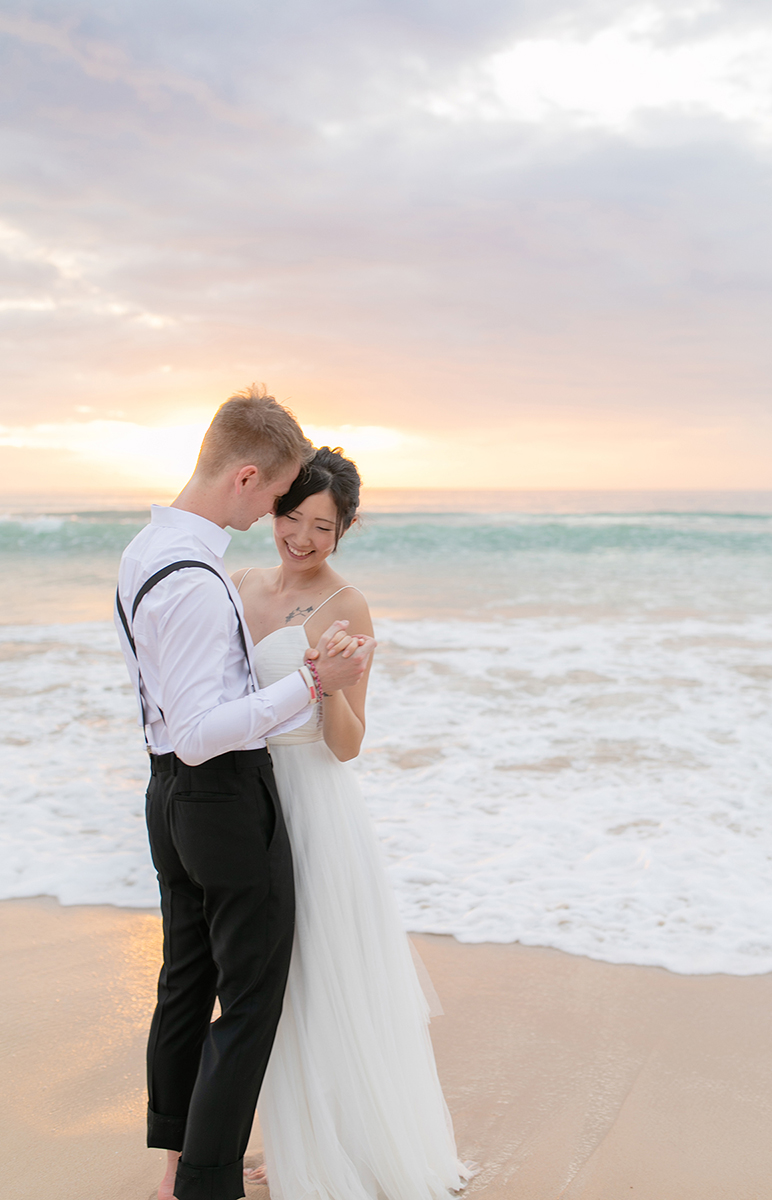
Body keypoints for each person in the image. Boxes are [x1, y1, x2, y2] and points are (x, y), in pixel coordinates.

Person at [114, 388, 376, 1200]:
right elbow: (201, 731)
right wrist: (310, 678)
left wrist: (322, 688)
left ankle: (178, 1164)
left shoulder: (145, 552)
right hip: (221, 797)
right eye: (277, 500)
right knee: (252, 999)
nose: (283, 519)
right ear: (250, 477)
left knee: (188, 977)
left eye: (314, 519)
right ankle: (203, 1181)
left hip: (171, 795)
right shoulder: (201, 579)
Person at [232, 446, 473, 1200]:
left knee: (323, 977)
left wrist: (328, 682)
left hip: (315, 806)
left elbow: (347, 745)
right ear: (273, 510)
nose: (302, 539)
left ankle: (333, 1150)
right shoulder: (238, 585)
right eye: (293, 518)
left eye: (323, 527)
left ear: (347, 529)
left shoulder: (348, 607)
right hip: (243, 798)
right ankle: (297, 1137)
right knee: (267, 985)